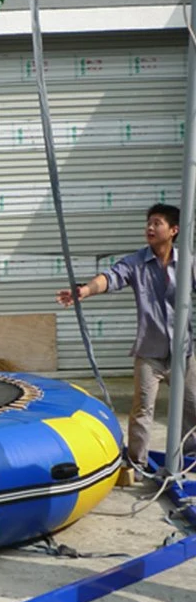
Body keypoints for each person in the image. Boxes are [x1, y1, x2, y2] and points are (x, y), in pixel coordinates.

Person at [56, 203, 196, 479]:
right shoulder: (136, 263)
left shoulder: (188, 263)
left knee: (192, 405)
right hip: (150, 352)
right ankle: (137, 465)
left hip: (183, 351)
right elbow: (109, 278)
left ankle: (188, 457)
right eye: (149, 223)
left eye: (157, 223)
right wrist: (83, 290)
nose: (150, 228)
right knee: (143, 409)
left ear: (173, 230)